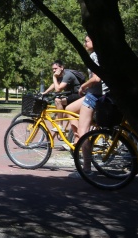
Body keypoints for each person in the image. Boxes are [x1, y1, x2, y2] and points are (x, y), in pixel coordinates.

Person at [63, 35, 108, 177]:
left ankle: (86, 168)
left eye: (87, 40)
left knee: (84, 132)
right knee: (69, 109)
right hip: (93, 95)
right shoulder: (99, 55)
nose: (84, 43)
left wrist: (83, 86)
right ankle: (77, 136)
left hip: (93, 96)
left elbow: (96, 78)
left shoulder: (95, 56)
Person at [41, 60, 82, 149]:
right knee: (56, 116)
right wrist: (45, 92)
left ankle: (61, 126)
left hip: (78, 96)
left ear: (61, 67)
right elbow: (54, 85)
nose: (54, 71)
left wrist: (54, 77)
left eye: (55, 68)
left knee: (58, 100)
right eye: (53, 69)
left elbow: (58, 89)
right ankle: (49, 141)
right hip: (70, 95)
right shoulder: (62, 75)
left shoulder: (68, 75)